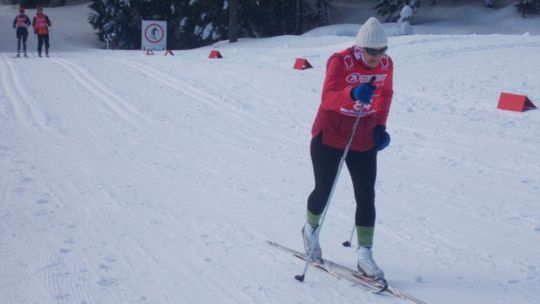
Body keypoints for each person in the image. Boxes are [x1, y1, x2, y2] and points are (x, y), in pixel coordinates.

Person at [302, 17, 393, 279]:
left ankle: (365, 254)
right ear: (360, 47)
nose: (376, 57)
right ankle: (310, 230)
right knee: (324, 190)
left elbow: (386, 95)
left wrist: (381, 127)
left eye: (382, 50)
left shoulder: (386, 65)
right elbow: (328, 97)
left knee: (366, 195)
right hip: (329, 134)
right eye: (371, 51)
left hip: (362, 135)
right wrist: (352, 94)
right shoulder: (340, 61)